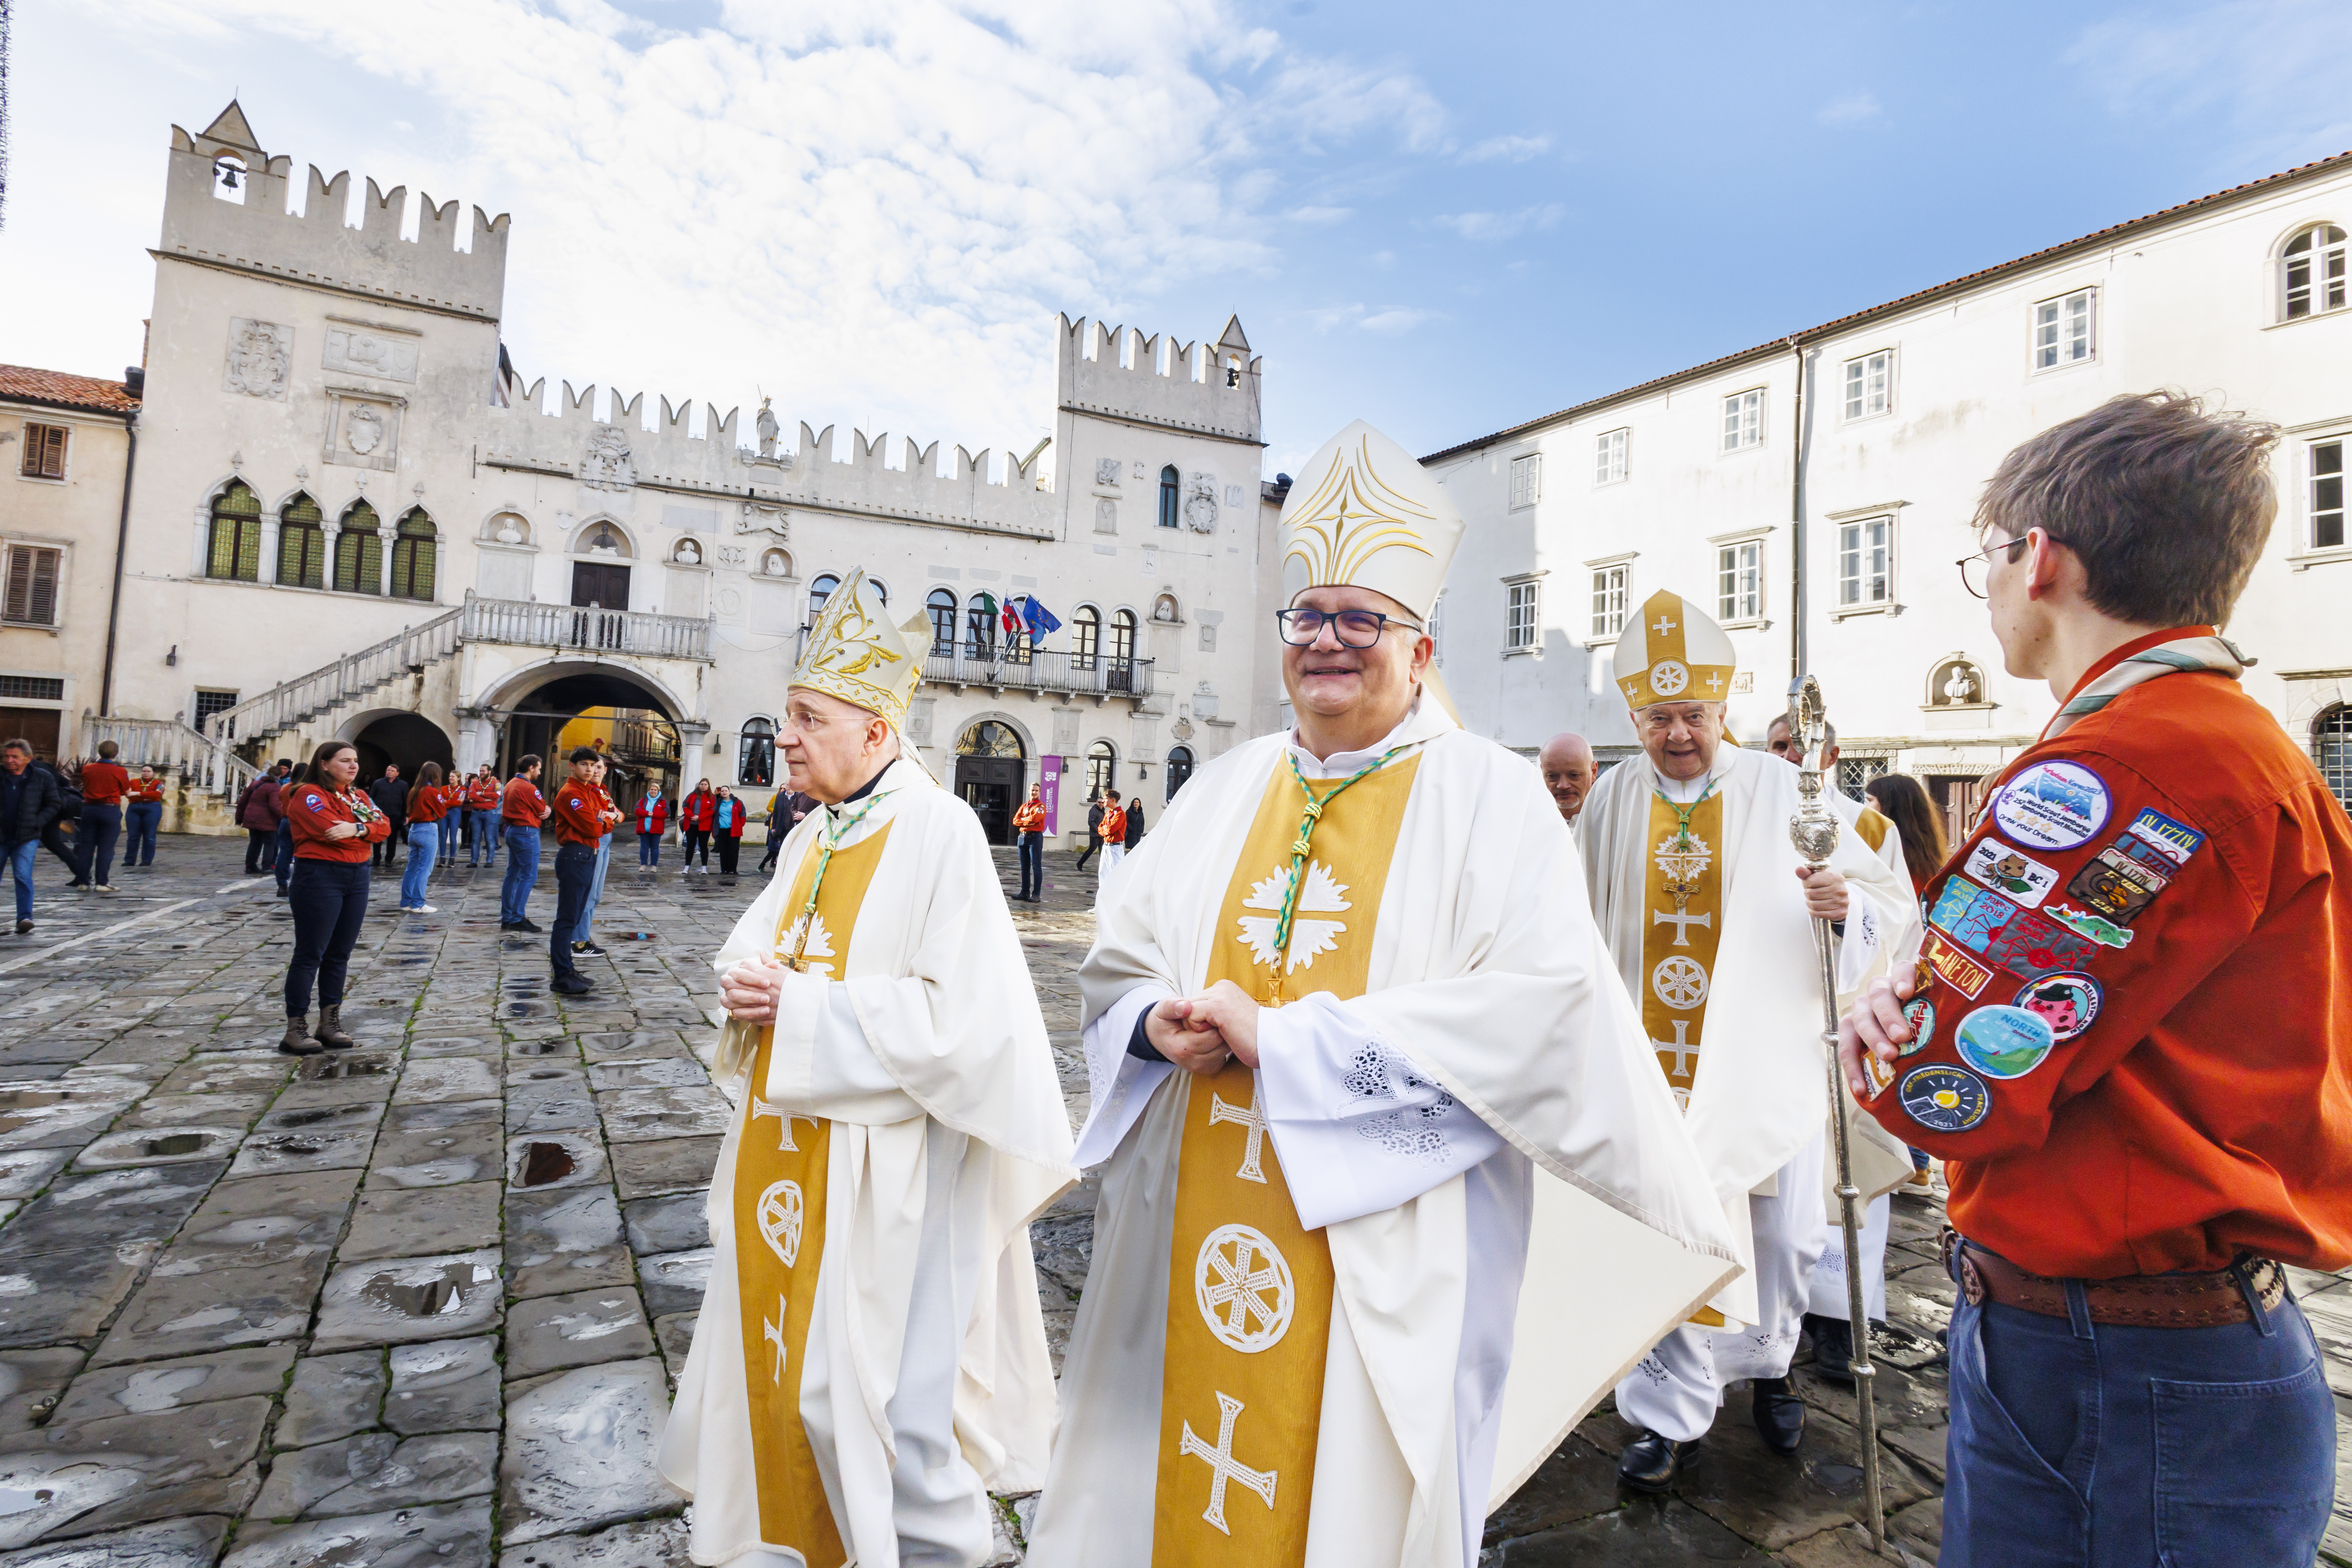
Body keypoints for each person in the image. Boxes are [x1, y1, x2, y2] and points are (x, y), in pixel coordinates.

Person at [1027, 422, 1736, 1568]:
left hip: (1386, 1248)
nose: (1328, 642)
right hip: (1187, 1218)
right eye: (1307, 617)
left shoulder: (1491, 800)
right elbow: (1120, 952)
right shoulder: (1222, 786)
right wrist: (1151, 1021)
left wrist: (1294, 1043)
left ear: (1419, 646)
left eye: (1362, 619)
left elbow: (1542, 1011)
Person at [1839, 393, 2352, 1567]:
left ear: (2040, 558)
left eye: (1985, 559)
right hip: (2166, 1344)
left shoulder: (2120, 762)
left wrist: (1877, 1022)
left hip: (2108, 1362)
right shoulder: (2234, 735)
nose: (1987, 591)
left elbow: (1935, 1085)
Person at [659, 568, 1078, 1568]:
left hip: (892, 1169)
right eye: (786, 716)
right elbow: (752, 953)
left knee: (884, 1394)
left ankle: (933, 1555)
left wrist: (798, 1006)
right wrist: (749, 985)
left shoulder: (938, 831)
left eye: (807, 717)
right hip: (791, 1152)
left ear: (877, 733)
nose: (787, 736)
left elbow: (963, 1023)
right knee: (786, 1369)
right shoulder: (815, 830)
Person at [1572, 588, 1919, 1490]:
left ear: (1722, 709)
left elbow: (1889, 902)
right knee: (1667, 1236)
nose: (1677, 733)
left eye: (1692, 715)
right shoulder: (1610, 797)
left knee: (1778, 1237)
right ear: (1633, 717)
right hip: (1648, 1068)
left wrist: (1846, 915)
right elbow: (1573, 917)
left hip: (1762, 1058)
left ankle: (1770, 1370)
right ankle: (1665, 1417)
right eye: (1656, 717)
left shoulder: (1782, 787)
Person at [280, 740, 391, 1055]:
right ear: (325, 764)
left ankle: (329, 1022)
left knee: (340, 953)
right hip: (320, 875)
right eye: (345, 760)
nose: (354, 766)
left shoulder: (358, 795)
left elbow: (384, 826)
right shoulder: (308, 794)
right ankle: (295, 1027)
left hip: (357, 875)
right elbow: (327, 830)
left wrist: (356, 829)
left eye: (355, 760)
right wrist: (362, 832)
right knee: (310, 953)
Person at [546, 748, 607, 996]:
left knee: (575, 915)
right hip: (576, 855)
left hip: (587, 856)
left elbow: (609, 820)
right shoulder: (571, 793)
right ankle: (561, 974)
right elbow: (594, 827)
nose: (590, 770)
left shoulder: (589, 792)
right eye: (585, 765)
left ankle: (568, 969)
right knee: (566, 919)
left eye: (594, 766)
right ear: (572, 766)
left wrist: (601, 820)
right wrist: (600, 820)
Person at [2, 739, 64, 936]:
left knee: (22, 876)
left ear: (27, 759)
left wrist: (38, 821)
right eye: (6, 756)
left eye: (15, 757)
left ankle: (25, 918)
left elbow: (54, 803)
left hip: (27, 836)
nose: (9, 760)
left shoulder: (42, 777)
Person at [1863, 772, 1949, 895]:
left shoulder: (1896, 853)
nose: (1865, 808)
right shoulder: (1922, 853)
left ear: (1891, 806)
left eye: (1870, 800)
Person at [574, 754, 622, 958]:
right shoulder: (589, 792)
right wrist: (611, 819)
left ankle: (584, 936)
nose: (594, 771)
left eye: (598, 767)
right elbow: (600, 822)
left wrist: (612, 818)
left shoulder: (603, 792)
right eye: (590, 766)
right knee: (589, 893)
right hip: (595, 842)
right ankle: (579, 941)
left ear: (605, 770)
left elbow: (619, 816)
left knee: (596, 895)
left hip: (606, 843)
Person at [73, 741, 129, 893]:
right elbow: (125, 790)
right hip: (110, 809)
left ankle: (83, 882)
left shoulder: (87, 769)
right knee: (106, 848)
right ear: (115, 754)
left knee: (86, 847)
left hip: (90, 809)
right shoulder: (120, 771)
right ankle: (102, 882)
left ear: (99, 752)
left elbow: (86, 784)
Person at [500, 757, 548, 932]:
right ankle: (517, 917)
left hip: (512, 830)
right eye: (539, 768)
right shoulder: (528, 787)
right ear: (531, 768)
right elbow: (542, 809)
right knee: (529, 876)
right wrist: (548, 809)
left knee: (512, 875)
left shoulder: (511, 784)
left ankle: (507, 917)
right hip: (527, 832)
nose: (540, 772)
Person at [399, 761, 451, 914]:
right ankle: (418, 903)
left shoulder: (415, 790)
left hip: (414, 829)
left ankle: (406, 902)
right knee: (425, 869)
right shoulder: (432, 791)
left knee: (412, 868)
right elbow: (442, 811)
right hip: (428, 829)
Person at [1538, 731, 1598, 824]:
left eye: (1574, 775)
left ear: (1593, 772)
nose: (1563, 786)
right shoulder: (1528, 821)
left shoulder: (1612, 820)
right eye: (1552, 776)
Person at [761, 786, 816, 874]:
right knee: (782, 848)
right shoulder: (782, 796)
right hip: (783, 827)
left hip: (802, 827)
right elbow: (789, 809)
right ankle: (781, 869)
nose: (788, 788)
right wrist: (796, 814)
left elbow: (820, 810)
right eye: (786, 786)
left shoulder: (816, 796)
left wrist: (805, 815)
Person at [367, 763, 409, 870]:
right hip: (379, 816)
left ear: (397, 773)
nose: (389, 772)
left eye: (392, 771)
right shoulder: (378, 783)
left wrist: (406, 815)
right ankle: (376, 859)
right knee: (377, 839)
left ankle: (389, 860)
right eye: (388, 770)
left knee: (392, 839)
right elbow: (371, 799)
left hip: (395, 816)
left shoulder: (403, 785)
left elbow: (406, 801)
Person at [124, 767, 166, 869]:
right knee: (133, 836)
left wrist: (138, 794)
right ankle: (130, 860)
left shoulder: (159, 783)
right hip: (134, 808)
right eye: (144, 771)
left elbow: (157, 795)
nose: (146, 773)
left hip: (152, 808)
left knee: (149, 836)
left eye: (148, 771)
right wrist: (145, 796)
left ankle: (147, 860)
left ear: (153, 773)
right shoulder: (133, 782)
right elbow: (128, 794)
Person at [272, 766, 303, 899]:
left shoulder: (286, 787)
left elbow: (280, 800)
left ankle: (282, 885)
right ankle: (299, 884)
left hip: (286, 821)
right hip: (300, 822)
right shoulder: (306, 789)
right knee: (302, 854)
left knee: (284, 854)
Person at [1011, 784, 1046, 901]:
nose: (1034, 793)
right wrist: (1028, 822)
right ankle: (1024, 892)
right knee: (1024, 868)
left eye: (1037, 791)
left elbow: (1036, 819)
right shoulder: (1024, 806)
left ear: (1040, 792)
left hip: (1035, 838)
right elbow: (1015, 821)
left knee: (1036, 866)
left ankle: (1036, 894)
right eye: (1032, 790)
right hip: (1023, 838)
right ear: (1029, 791)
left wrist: (1023, 820)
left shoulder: (1040, 806)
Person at [466, 765, 503, 868]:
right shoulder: (474, 783)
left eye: (483, 771)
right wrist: (486, 799)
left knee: (489, 838)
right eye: (480, 771)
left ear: (489, 772)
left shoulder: (496, 783)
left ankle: (490, 860)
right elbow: (472, 796)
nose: (481, 773)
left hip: (490, 813)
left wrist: (482, 794)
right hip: (476, 813)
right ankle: (474, 861)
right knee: (475, 839)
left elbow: (497, 795)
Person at [679, 778, 716, 873]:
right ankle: (687, 867)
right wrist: (692, 816)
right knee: (690, 846)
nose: (703, 786)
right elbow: (685, 806)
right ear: (699, 785)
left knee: (703, 846)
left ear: (708, 786)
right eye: (702, 784)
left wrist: (700, 817)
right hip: (691, 824)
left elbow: (713, 810)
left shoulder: (712, 797)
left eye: (705, 785)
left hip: (705, 825)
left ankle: (704, 867)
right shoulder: (692, 795)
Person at [711, 783, 746, 882]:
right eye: (722, 791)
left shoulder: (737, 802)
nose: (724, 792)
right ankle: (724, 870)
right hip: (722, 830)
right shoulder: (718, 803)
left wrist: (740, 825)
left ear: (729, 792)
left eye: (726, 791)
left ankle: (733, 870)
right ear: (721, 793)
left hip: (734, 830)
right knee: (724, 850)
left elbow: (743, 815)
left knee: (734, 850)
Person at [635, 781, 668, 869]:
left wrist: (654, 814)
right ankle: (643, 865)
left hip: (657, 828)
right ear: (649, 790)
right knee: (644, 847)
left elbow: (666, 813)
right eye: (651, 789)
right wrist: (647, 814)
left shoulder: (663, 801)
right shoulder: (643, 800)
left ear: (658, 791)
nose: (653, 791)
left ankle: (654, 865)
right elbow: (637, 810)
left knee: (655, 847)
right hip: (644, 828)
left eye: (655, 790)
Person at [1095, 794, 1127, 879]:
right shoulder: (1108, 813)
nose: (1103, 801)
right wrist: (1105, 829)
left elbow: (1111, 829)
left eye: (1106, 799)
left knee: (1115, 873)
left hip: (1115, 848)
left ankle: (1116, 892)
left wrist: (1105, 829)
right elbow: (1100, 829)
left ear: (1113, 800)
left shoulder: (1121, 814)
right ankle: (1103, 892)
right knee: (1102, 872)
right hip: (1106, 846)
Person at [1074, 788, 1104, 871]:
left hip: (1102, 835)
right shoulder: (1093, 810)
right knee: (1091, 850)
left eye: (1102, 803)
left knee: (1103, 853)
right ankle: (1080, 863)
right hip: (1095, 835)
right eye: (1099, 802)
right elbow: (1091, 822)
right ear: (1096, 803)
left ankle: (1103, 869)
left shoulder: (1102, 811)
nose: (1101, 804)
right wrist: (1098, 830)